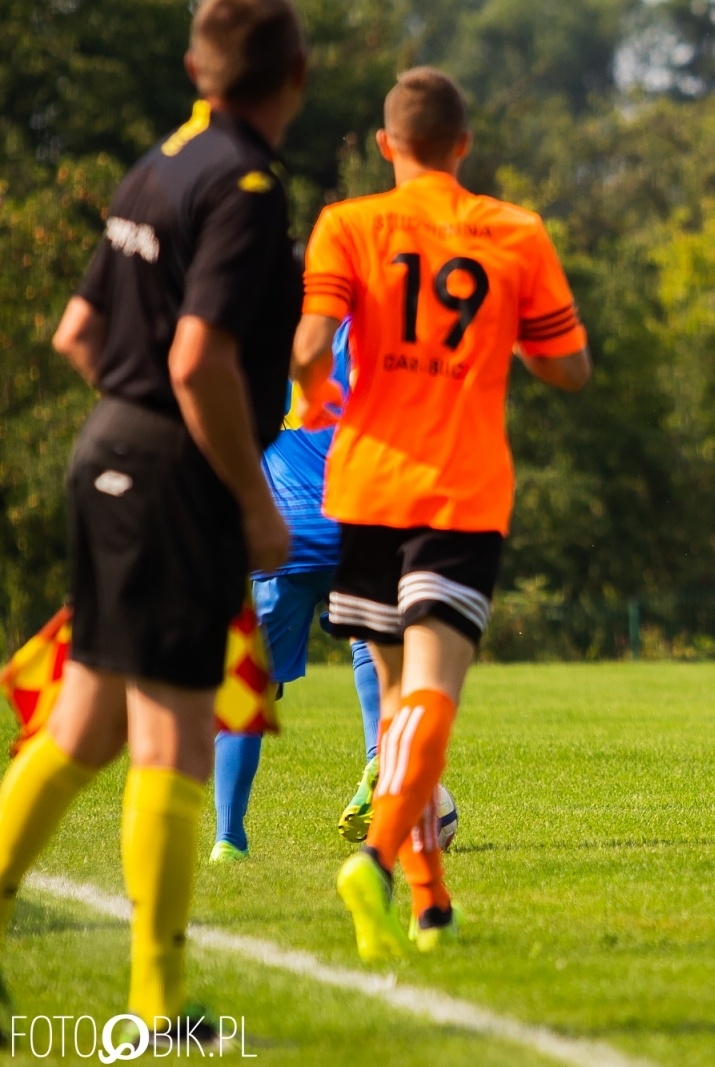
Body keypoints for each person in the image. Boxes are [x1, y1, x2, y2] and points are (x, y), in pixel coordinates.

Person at [0, 0, 305, 1030]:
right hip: (175, 476)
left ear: (195, 68)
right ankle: (159, 1005)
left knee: (86, 721)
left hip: (106, 452)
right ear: (295, 77)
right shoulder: (247, 188)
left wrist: (133, 430)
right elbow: (195, 359)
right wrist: (251, 503)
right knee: (172, 734)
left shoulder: (159, 163)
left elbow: (77, 334)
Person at [292, 67, 591, 961]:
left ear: (387, 146)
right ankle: (380, 862)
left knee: (395, 704)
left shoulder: (347, 225)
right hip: (459, 491)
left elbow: (311, 344)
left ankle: (430, 903)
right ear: (464, 145)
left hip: (366, 484)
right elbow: (569, 365)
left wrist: (317, 398)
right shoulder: (514, 229)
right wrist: (509, 340)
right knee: (431, 698)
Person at [211, 319, 385, 863]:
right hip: (354, 525)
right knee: (371, 648)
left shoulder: (257, 338)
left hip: (282, 535)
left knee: (251, 689)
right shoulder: (363, 331)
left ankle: (228, 838)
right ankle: (380, 757)